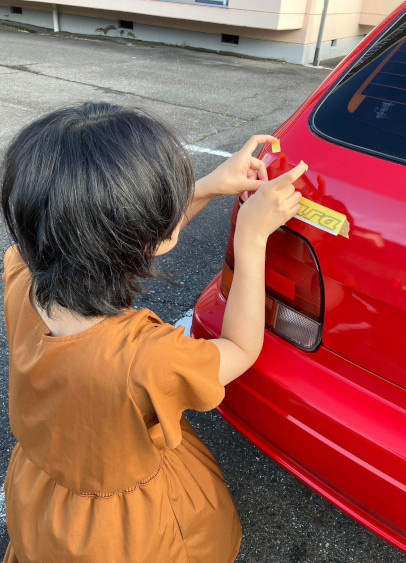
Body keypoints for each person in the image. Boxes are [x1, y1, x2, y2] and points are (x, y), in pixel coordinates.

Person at [0, 102, 305, 562]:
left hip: (46, 493)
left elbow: (107, 234)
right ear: (151, 237)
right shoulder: (146, 358)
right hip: (129, 533)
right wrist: (251, 236)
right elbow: (240, 347)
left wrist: (210, 185)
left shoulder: (22, 273)